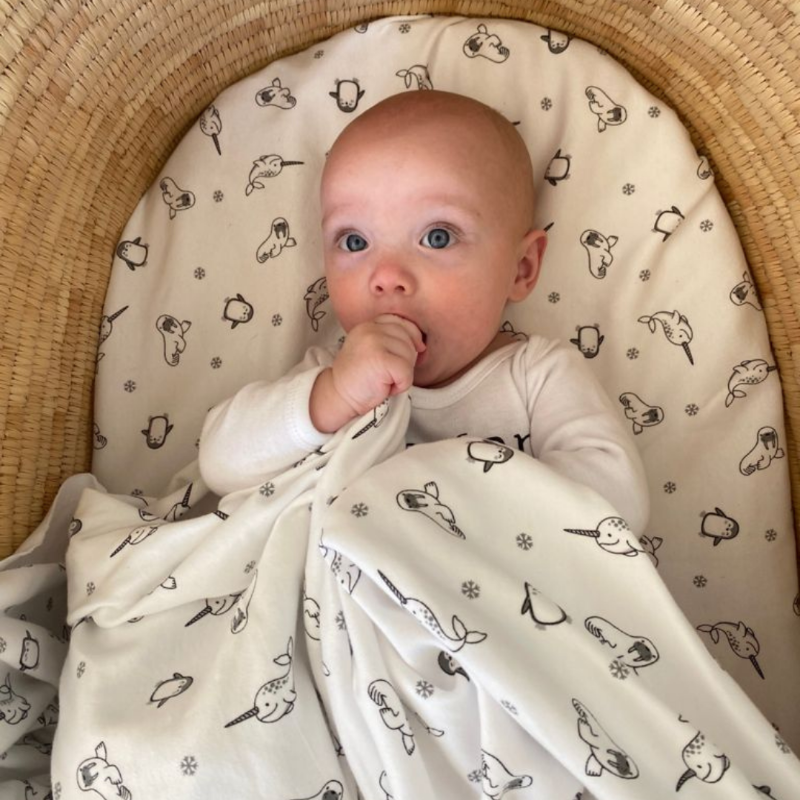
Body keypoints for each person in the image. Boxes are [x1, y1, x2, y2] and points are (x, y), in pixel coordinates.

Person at [199, 90, 649, 533]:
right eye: (354, 242)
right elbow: (219, 464)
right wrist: (329, 399)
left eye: (437, 237)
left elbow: (621, 504)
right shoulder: (331, 378)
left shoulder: (536, 377)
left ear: (521, 268)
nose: (387, 275)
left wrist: (454, 500)